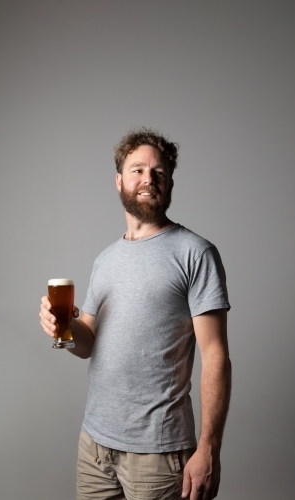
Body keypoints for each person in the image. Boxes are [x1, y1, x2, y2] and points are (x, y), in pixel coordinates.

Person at [39, 128, 231, 500]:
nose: (148, 179)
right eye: (137, 170)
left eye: (158, 172)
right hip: (94, 445)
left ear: (170, 182)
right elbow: (87, 343)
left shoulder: (196, 253)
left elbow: (216, 356)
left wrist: (208, 449)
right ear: (119, 180)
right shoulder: (106, 259)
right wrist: (61, 328)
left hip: (158, 454)